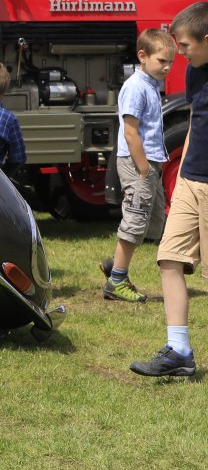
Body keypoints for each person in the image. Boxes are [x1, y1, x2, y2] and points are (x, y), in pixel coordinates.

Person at [130, 3, 208, 377]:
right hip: (191, 181)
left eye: (186, 45)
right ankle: (179, 351)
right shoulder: (195, 71)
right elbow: (195, 121)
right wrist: (182, 177)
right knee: (169, 258)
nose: (182, 54)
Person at [104, 29, 177, 303]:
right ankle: (116, 281)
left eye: (171, 62)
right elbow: (130, 131)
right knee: (135, 221)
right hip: (138, 164)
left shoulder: (151, 85)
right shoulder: (136, 87)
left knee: (153, 220)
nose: (167, 67)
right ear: (143, 56)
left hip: (149, 162)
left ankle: (115, 265)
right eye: (162, 61)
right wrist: (144, 168)